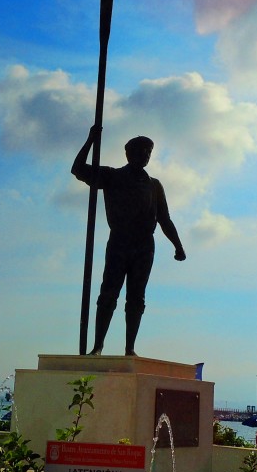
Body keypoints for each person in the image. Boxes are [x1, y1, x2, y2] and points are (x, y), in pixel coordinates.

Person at [72, 126, 186, 356]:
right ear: (128, 154)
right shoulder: (112, 176)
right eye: (140, 150)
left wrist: (178, 245)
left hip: (144, 246)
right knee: (108, 294)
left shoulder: (154, 185)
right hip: (119, 242)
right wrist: (90, 140)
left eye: (148, 151)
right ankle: (98, 346)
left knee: (136, 298)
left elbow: (164, 218)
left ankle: (130, 348)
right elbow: (78, 169)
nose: (145, 155)